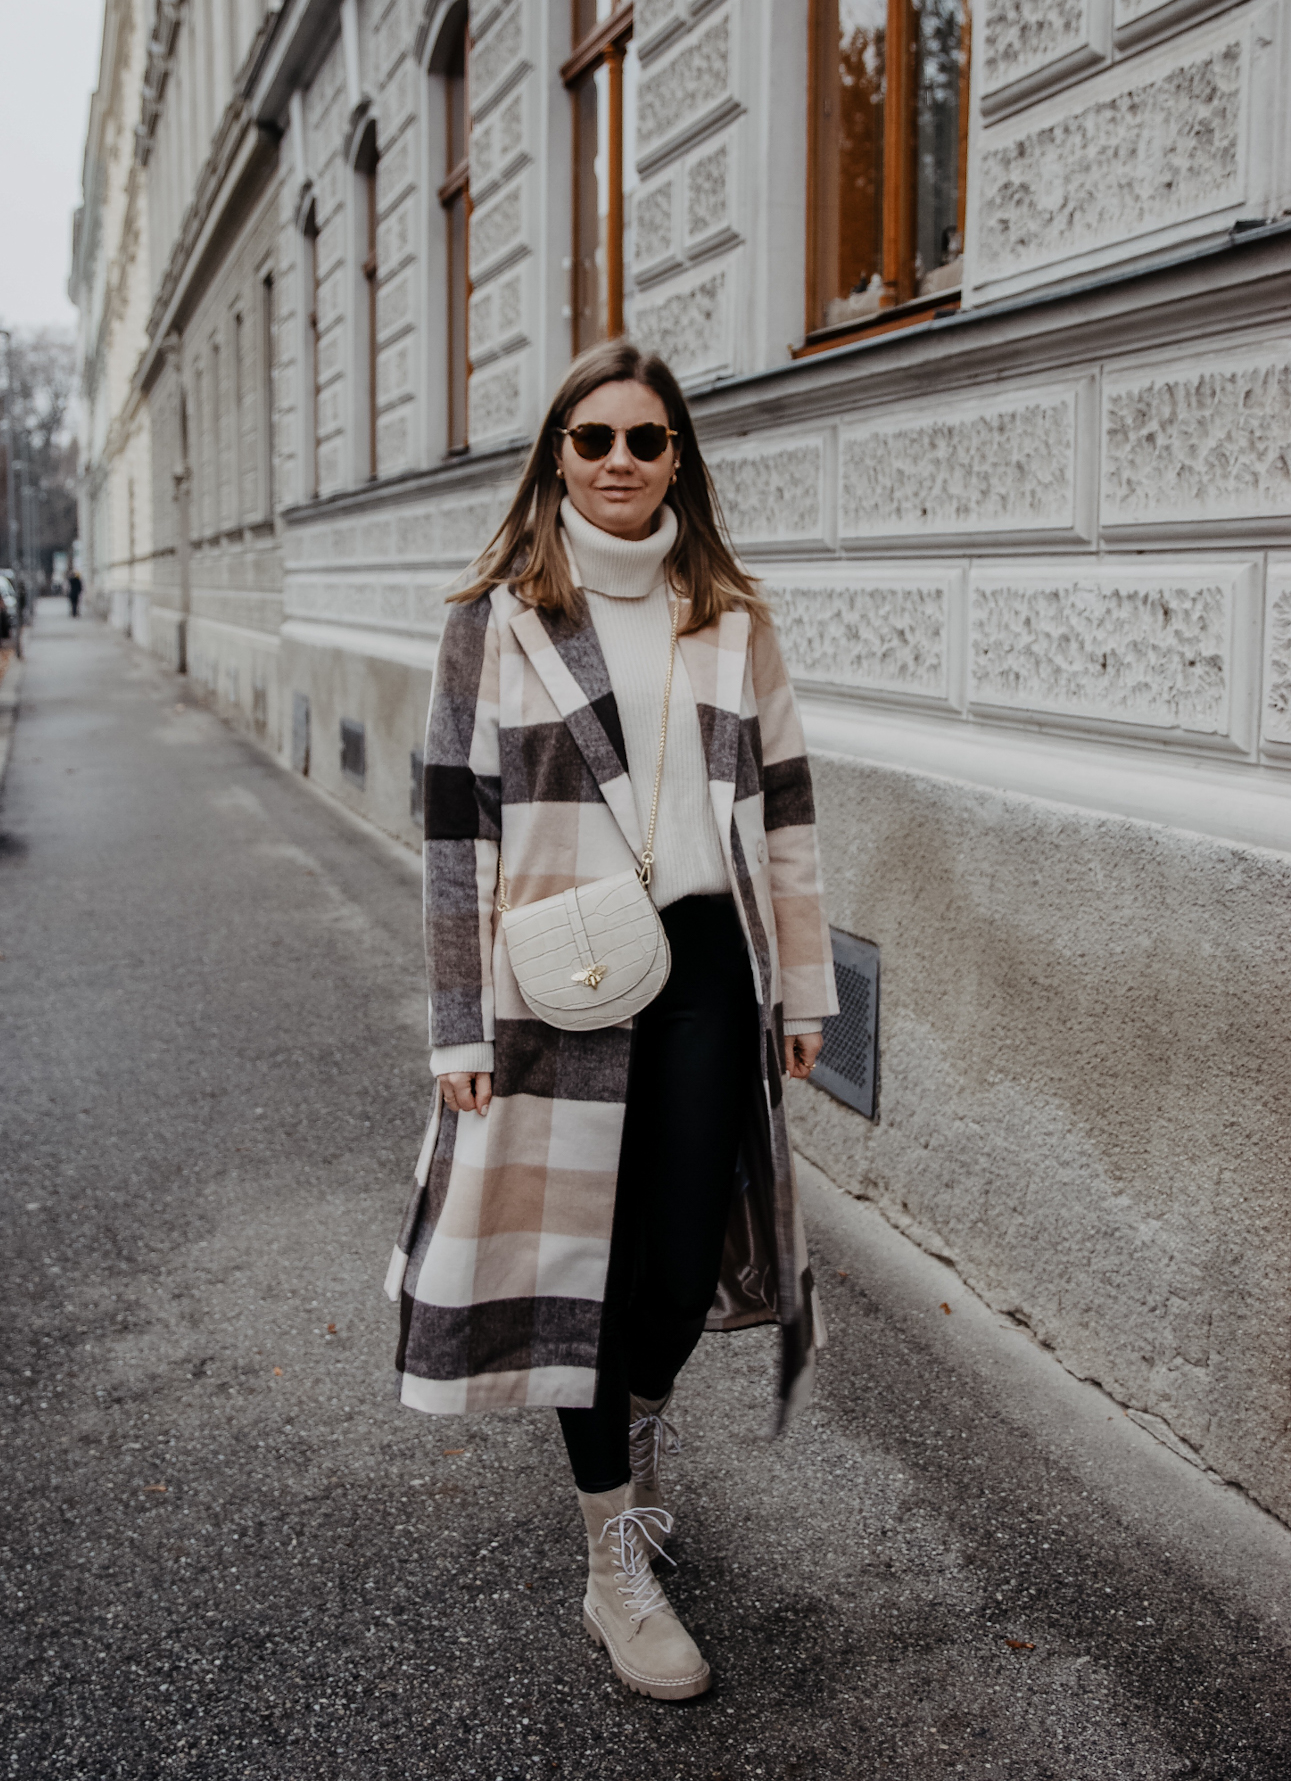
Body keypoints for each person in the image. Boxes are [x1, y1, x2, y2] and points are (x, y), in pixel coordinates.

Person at [388, 341, 837, 1702]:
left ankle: (632, 1440)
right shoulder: (495, 616)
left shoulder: (731, 616)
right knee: (579, 1267)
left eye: (648, 439)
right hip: (557, 976)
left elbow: (792, 814)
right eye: (595, 440)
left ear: (678, 458)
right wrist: (458, 1030)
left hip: (707, 961)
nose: (622, 462)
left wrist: (804, 987)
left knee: (678, 1259)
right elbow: (454, 836)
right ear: (556, 460)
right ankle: (609, 1564)